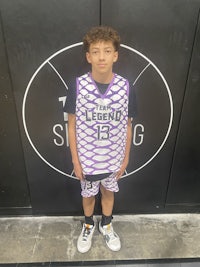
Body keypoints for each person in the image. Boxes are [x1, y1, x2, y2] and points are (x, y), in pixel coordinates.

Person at [65, 26, 136, 253]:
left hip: (113, 158)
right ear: (88, 56)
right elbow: (72, 125)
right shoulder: (77, 86)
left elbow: (128, 125)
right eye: (95, 51)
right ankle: (88, 225)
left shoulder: (126, 87)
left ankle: (106, 224)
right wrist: (76, 160)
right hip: (87, 159)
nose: (101, 56)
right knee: (88, 195)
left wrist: (125, 158)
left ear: (116, 55)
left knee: (108, 192)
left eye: (107, 51)